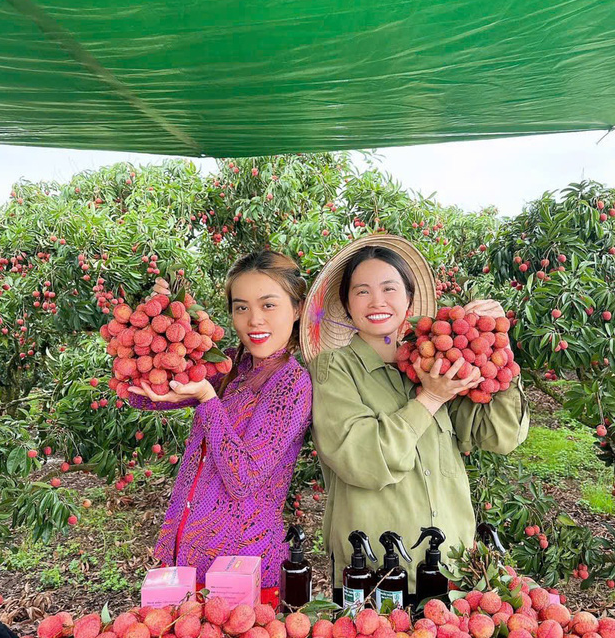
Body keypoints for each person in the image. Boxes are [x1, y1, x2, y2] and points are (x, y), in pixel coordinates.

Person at [301, 235, 529, 605]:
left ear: (408, 299)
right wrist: (430, 399)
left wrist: (496, 353)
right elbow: (361, 459)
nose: (377, 301)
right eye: (362, 291)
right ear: (346, 305)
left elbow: (499, 436)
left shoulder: (434, 366)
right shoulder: (335, 368)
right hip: (377, 573)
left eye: (390, 288)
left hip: (454, 571)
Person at [129, 250, 312, 608]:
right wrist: (156, 324)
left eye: (269, 305)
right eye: (241, 307)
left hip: (242, 571)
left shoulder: (292, 384)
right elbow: (144, 397)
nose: (254, 320)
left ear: (297, 309)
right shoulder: (229, 363)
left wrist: (208, 400)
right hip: (188, 560)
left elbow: (243, 477)